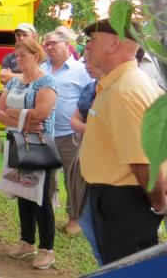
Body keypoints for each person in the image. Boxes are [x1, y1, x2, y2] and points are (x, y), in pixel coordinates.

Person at [79, 19, 166, 264]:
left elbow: (143, 163)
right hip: (118, 199)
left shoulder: (125, 89)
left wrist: (159, 206)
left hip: (124, 203)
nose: (88, 47)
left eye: (93, 40)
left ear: (113, 43)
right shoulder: (121, 82)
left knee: (126, 267)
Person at [0, 37, 58, 270]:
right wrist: (21, 119)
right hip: (17, 142)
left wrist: (13, 115)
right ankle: (27, 242)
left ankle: (47, 249)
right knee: (23, 192)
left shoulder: (46, 82)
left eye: (23, 55)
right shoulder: (13, 83)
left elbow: (41, 113)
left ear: (36, 56)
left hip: (39, 145)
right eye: (16, 55)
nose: (18, 59)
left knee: (41, 197)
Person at [41, 30, 92, 235]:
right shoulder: (42, 69)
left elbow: (90, 99)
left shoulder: (80, 70)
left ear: (66, 44)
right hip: (45, 134)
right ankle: (48, 213)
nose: (49, 47)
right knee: (47, 177)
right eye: (46, 44)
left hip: (70, 135)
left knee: (74, 178)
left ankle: (75, 218)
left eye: (53, 43)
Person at [69, 58, 104, 265]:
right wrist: (96, 131)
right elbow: (74, 120)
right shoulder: (91, 88)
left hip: (111, 172)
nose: (86, 63)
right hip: (85, 156)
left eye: (91, 59)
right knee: (86, 216)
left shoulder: (125, 89)